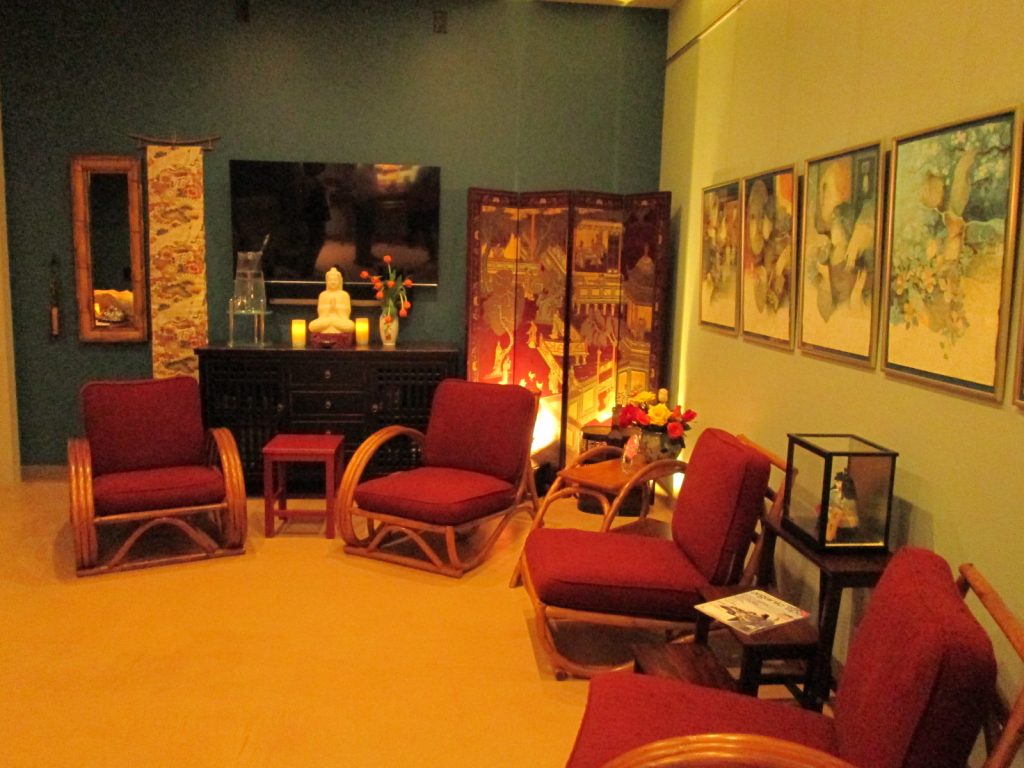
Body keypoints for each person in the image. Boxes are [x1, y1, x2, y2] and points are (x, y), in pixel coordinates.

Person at [308, 267, 354, 334]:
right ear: (327, 281)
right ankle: (332, 327)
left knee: (350, 326)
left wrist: (336, 308)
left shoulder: (344, 295)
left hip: (339, 320)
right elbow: (320, 311)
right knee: (312, 326)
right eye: (330, 280)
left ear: (339, 281)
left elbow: (347, 311)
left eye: (335, 280)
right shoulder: (323, 295)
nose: (333, 282)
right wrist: (330, 308)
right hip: (326, 320)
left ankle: (330, 328)